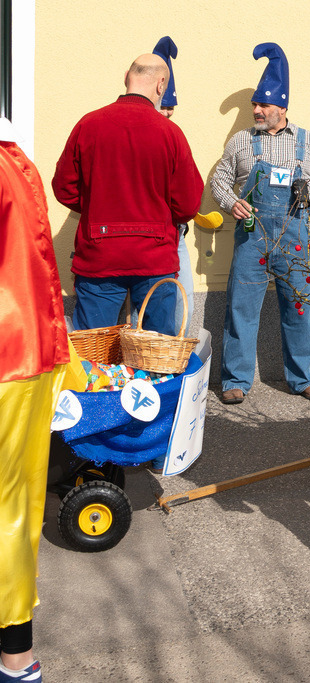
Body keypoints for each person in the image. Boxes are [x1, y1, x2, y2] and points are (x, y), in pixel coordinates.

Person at [211, 43, 310, 404]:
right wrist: (232, 202)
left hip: (296, 238)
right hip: (252, 239)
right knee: (241, 308)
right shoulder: (241, 142)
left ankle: (305, 377)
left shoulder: (309, 143)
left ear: (282, 107)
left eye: (263, 105)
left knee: (299, 309)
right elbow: (218, 180)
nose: (257, 110)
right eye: (254, 105)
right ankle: (235, 380)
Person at [52, 53, 204, 337]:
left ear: (126, 77)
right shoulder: (170, 134)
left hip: (100, 254)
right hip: (154, 257)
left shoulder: (88, 125)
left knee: (95, 356)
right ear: (161, 85)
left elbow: (64, 187)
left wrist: (97, 203)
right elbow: (187, 205)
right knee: (154, 355)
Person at [0, 120, 75, 683]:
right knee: (14, 509)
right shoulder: (11, 160)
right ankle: (15, 653)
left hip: (15, 355)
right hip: (21, 356)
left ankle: (15, 652)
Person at [152, 35, 194, 334]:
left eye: (171, 109)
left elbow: (188, 191)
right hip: (147, 240)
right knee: (149, 313)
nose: (168, 114)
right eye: (164, 107)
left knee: (183, 303)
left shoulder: (174, 136)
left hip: (174, 234)